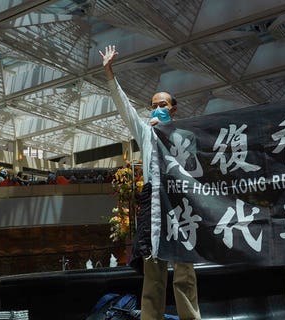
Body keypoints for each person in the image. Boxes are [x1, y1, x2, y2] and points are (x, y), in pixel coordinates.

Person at [101, 45, 201, 320]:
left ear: (174, 108)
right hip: (152, 200)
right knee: (153, 269)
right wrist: (110, 74)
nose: (157, 109)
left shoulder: (186, 136)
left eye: (163, 105)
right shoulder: (145, 133)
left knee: (184, 271)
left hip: (179, 201)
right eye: (154, 105)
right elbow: (124, 107)